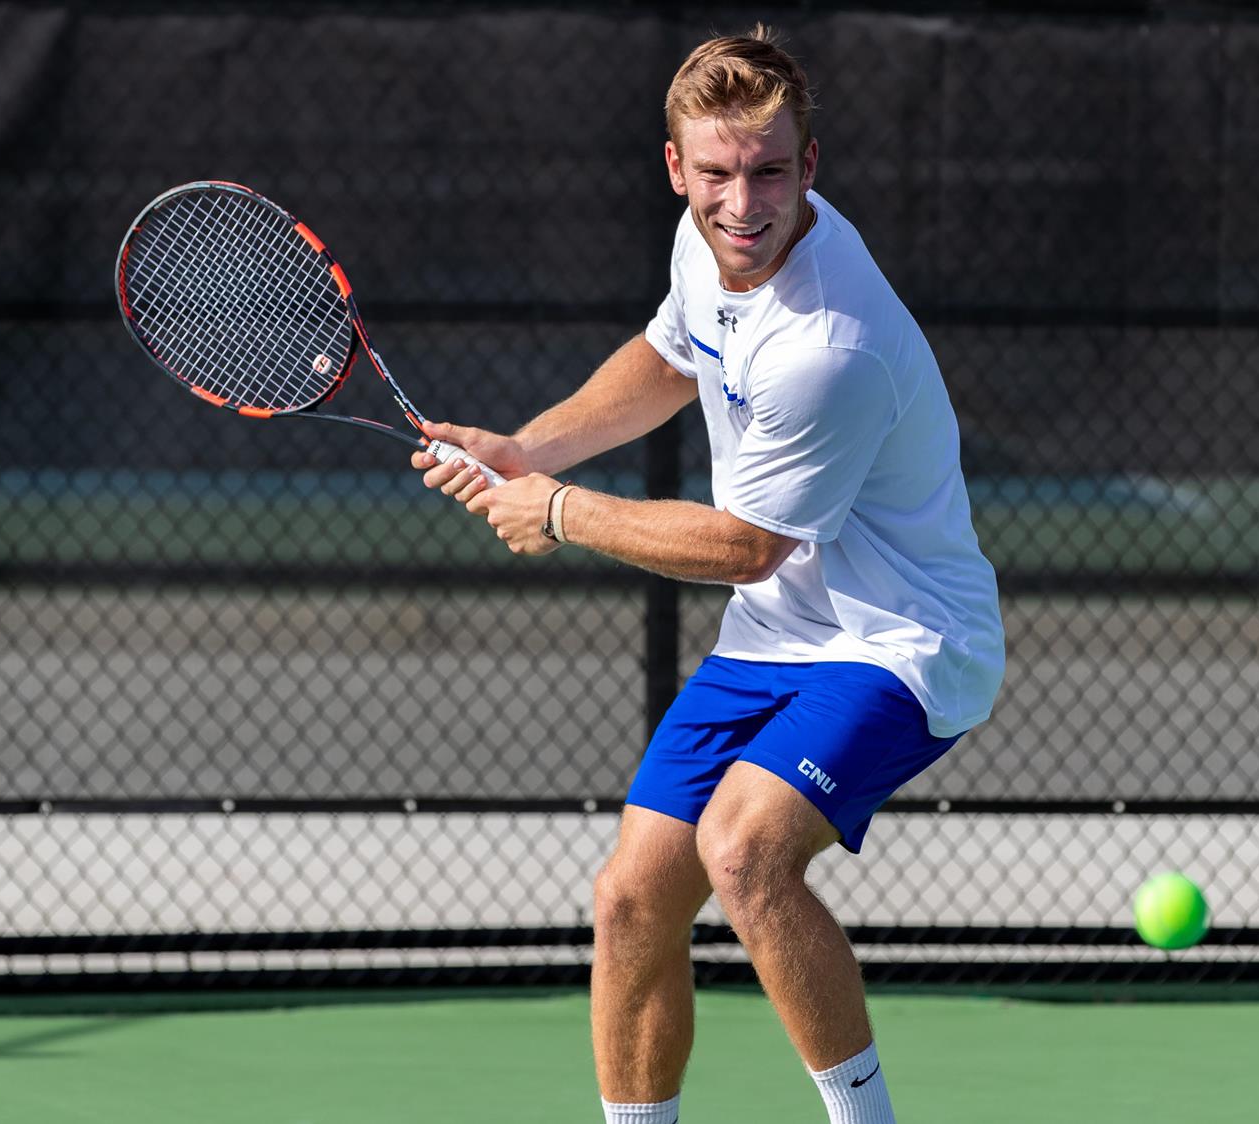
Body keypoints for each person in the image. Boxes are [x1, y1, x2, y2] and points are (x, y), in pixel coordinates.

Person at [413, 25, 1003, 1124]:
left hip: (900, 641)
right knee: (632, 898)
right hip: (774, 636)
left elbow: (743, 546)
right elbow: (669, 355)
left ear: (810, 169)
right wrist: (531, 449)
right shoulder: (708, 243)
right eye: (719, 173)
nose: (745, 203)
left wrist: (559, 508)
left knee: (741, 850)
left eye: (772, 171)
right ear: (676, 169)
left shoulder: (829, 343)